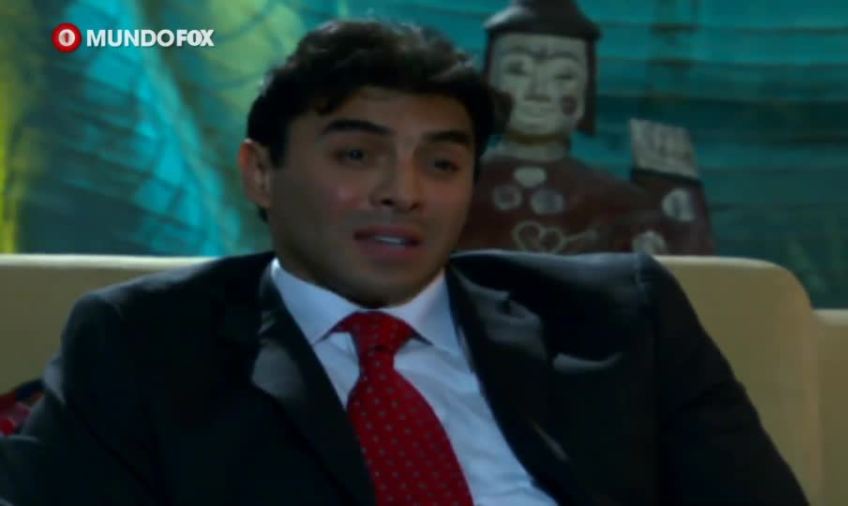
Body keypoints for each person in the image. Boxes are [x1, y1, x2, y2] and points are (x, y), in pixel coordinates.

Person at [0, 19, 805, 506]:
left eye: (442, 164)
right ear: (260, 173)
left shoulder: (619, 318)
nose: (404, 192)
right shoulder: (142, 343)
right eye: (357, 155)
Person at [457, 0, 715, 255]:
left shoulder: (617, 201)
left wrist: (673, 189)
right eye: (517, 70)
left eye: (563, 75)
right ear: (489, 80)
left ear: (586, 90)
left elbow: (685, 270)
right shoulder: (462, 184)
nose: (538, 93)